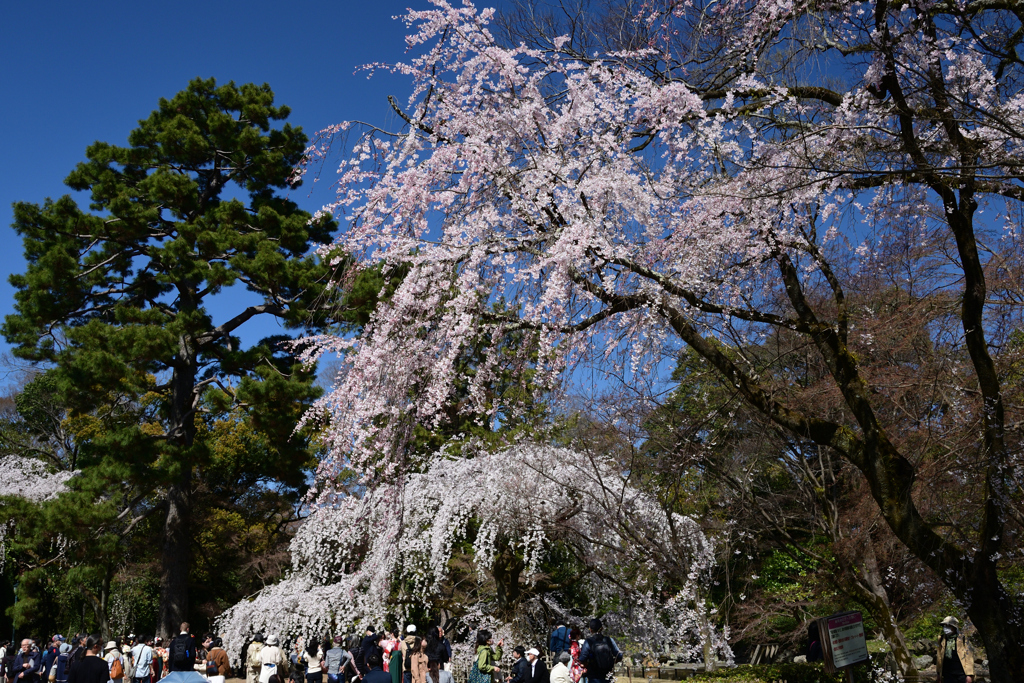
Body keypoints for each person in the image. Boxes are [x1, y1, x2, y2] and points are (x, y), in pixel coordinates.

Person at [936, 616, 974, 683]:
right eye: (944, 626)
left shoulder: (963, 638)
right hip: (947, 673)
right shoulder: (941, 639)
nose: (945, 628)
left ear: (954, 627)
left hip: (961, 673)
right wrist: (939, 673)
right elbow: (939, 657)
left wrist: (969, 675)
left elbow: (969, 657)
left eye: (948, 626)